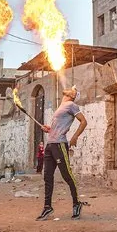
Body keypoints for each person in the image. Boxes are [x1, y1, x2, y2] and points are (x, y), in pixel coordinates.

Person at [37, 87, 88, 221]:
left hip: (60, 145)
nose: (71, 88)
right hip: (50, 145)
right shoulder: (61, 107)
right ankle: (47, 207)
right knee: (47, 177)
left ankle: (77, 204)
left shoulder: (71, 105)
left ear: (73, 95)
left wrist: (75, 137)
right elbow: (58, 127)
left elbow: (84, 121)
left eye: (74, 90)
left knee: (67, 175)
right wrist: (49, 129)